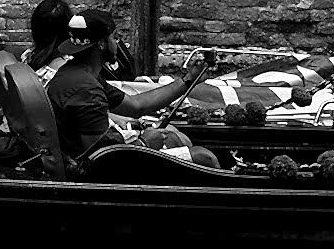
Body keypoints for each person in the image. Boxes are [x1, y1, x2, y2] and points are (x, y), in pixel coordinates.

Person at [44, 9, 211, 162]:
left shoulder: (78, 74)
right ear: (101, 44)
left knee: (176, 140)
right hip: (95, 178)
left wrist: (189, 79)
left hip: (99, 162)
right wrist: (144, 143)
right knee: (203, 157)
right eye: (114, 37)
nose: (117, 43)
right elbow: (99, 162)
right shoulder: (85, 89)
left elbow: (135, 106)